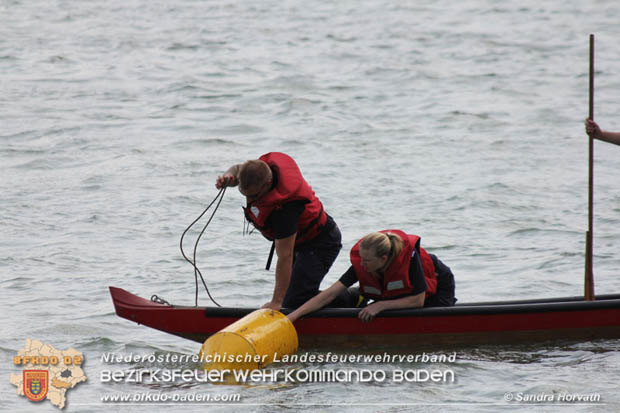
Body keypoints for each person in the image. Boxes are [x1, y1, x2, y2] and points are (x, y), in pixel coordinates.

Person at [215, 152, 342, 310]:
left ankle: (353, 298)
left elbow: (285, 256)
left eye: (254, 195)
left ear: (268, 183)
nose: (250, 201)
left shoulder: (286, 210)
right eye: (244, 194)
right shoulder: (257, 171)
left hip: (321, 242)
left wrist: (276, 302)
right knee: (293, 297)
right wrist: (229, 176)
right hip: (300, 242)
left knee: (294, 301)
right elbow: (237, 168)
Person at [287, 229, 456, 323]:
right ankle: (358, 298)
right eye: (361, 258)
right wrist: (294, 315)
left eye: (367, 261)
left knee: (414, 313)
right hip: (394, 293)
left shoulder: (410, 261)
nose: (362, 264)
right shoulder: (364, 262)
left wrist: (380, 306)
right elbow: (331, 293)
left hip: (437, 288)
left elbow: (418, 301)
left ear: (383, 259)